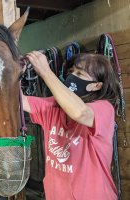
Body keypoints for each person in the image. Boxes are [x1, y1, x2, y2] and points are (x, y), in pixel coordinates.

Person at [22, 51, 119, 200]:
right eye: (71, 72)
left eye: (80, 74)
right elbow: (20, 101)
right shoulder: (53, 105)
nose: (72, 77)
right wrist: (14, 72)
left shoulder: (104, 108)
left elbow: (80, 113)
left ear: (96, 86)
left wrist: (46, 72)